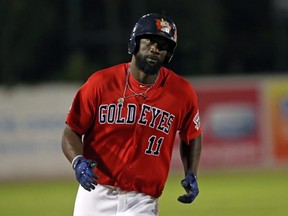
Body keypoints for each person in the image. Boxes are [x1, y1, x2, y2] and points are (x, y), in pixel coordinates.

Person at [61, 13, 202, 216]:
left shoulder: (182, 93)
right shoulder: (101, 83)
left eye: (162, 45)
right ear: (135, 43)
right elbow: (71, 130)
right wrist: (78, 162)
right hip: (95, 193)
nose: (155, 48)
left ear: (168, 54)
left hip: (142, 200)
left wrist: (191, 173)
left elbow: (192, 135)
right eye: (150, 41)